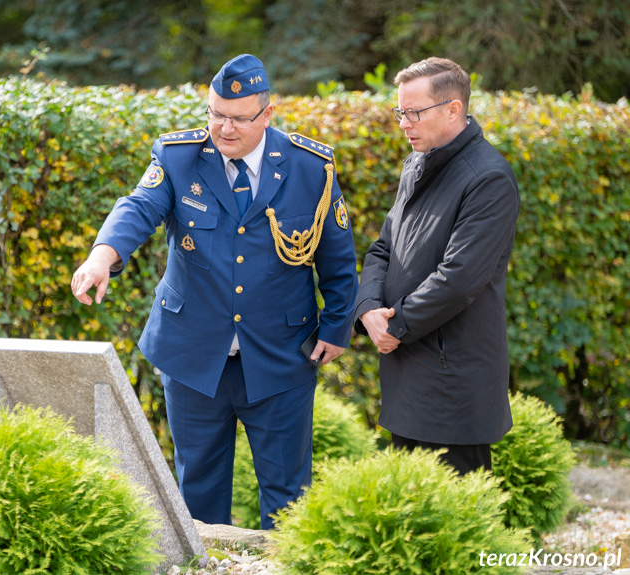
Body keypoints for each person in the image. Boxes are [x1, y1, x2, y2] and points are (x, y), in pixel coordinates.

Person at [71, 54, 358, 528]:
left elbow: (337, 257)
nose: (224, 128)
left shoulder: (311, 168)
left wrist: (337, 325)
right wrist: (102, 255)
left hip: (281, 354)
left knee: (288, 494)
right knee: (197, 489)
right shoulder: (178, 157)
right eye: (215, 113)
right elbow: (139, 207)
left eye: (238, 118)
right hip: (192, 354)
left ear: (267, 115)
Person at [353, 57, 519, 475]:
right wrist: (369, 308)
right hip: (408, 372)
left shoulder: (488, 178)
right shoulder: (417, 163)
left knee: (458, 525)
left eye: (414, 113)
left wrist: (395, 326)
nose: (404, 124)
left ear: (452, 110)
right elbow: (383, 249)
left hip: (454, 385)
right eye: (400, 112)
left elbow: (460, 279)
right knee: (412, 520)